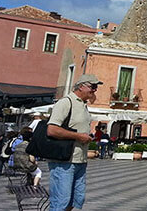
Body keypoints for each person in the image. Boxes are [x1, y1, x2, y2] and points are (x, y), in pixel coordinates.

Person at [47, 74, 100, 211]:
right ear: (81, 86)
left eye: (96, 87)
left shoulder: (83, 105)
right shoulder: (66, 102)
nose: (95, 90)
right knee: (61, 201)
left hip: (79, 160)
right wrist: (78, 136)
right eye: (92, 87)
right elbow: (52, 130)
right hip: (64, 161)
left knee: (76, 199)